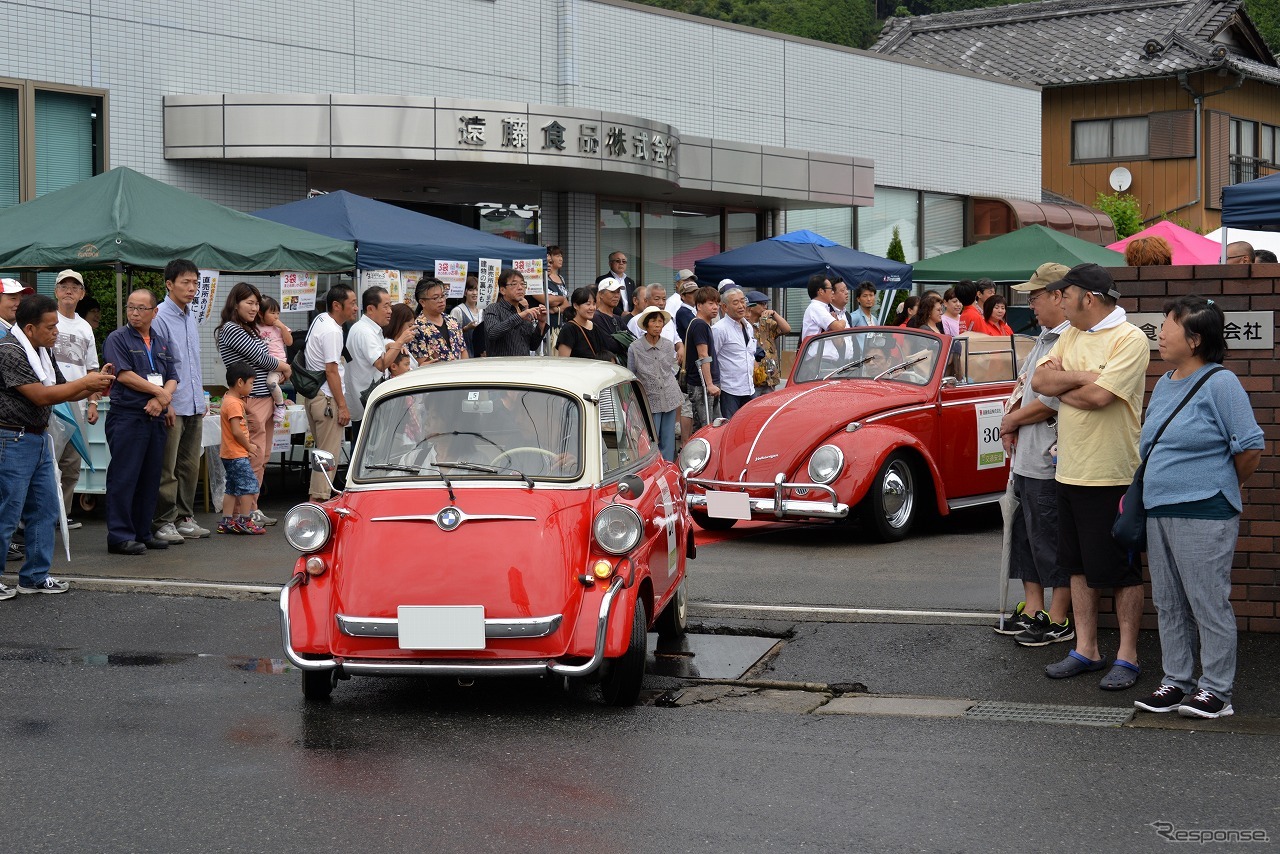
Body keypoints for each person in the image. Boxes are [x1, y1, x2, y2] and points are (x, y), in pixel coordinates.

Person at [1133, 297, 1263, 719]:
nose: (1160, 332)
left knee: (1207, 601)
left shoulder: (1221, 383)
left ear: (1195, 339)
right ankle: (1176, 680)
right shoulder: (1167, 379)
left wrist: (1219, 484)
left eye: (1168, 325)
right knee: (1169, 602)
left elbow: (1250, 447)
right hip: (1159, 507)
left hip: (1205, 509)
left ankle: (1217, 691)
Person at [1031, 263, 1150, 691]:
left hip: (1112, 472)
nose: (1058, 300)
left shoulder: (1131, 339)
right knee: (1077, 567)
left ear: (1090, 297)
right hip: (1069, 470)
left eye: (1066, 293)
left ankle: (1128, 656)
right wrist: (1080, 378)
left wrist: (1066, 390)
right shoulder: (1071, 333)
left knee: (1121, 570)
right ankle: (1087, 649)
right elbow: (1041, 381)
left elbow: (1101, 398)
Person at [0, 295, 113, 594]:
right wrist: (86, 384)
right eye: (50, 327)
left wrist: (95, 382)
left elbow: (62, 390)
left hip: (38, 436)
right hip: (11, 438)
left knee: (45, 509)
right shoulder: (9, 350)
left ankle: (35, 576)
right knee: (8, 512)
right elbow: (41, 396)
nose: (56, 333)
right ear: (29, 328)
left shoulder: (43, 350)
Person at [994, 262, 1074, 647]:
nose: (1031, 304)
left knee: (1049, 538)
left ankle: (1058, 617)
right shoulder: (1043, 338)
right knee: (1025, 536)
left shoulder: (1072, 339)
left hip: (1049, 456)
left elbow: (1051, 401)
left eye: (1036, 296)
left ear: (1060, 296)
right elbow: (1025, 386)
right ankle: (1033, 608)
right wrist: (1011, 418)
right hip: (1027, 456)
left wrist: (1011, 420)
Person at [102, 289, 177, 556]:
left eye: (141, 308)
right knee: (124, 476)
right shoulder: (118, 338)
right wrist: (159, 394)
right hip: (128, 415)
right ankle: (120, 536)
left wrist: (163, 399)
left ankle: (142, 532)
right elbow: (123, 375)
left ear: (154, 312)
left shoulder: (160, 340)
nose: (134, 313)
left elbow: (172, 376)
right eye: (131, 307)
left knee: (150, 476)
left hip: (154, 416)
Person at [214, 282, 290, 528]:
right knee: (252, 456)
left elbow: (266, 358)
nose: (255, 307)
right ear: (235, 303)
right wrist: (284, 367)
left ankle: (251, 509)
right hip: (252, 400)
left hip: (265, 396)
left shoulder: (250, 329)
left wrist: (277, 369)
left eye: (257, 303)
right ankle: (243, 512)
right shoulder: (232, 329)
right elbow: (260, 358)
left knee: (263, 455)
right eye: (249, 302)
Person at [150, 259, 210, 545]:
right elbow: (156, 363)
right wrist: (165, 400)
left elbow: (191, 362)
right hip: (172, 402)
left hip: (194, 402)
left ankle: (185, 517)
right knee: (167, 466)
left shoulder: (189, 316)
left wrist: (202, 397)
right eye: (186, 282)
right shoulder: (159, 315)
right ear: (169, 284)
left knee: (189, 465)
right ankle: (163, 520)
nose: (192, 288)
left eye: (196, 283)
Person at [49, 270, 100, 531]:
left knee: (71, 463)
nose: (69, 290)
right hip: (48, 400)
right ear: (56, 291)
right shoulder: (47, 319)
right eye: (64, 286)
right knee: (47, 461)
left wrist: (93, 402)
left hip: (77, 403)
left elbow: (92, 369)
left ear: (81, 294)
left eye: (75, 287)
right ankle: (40, 514)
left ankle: (63, 513)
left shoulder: (85, 328)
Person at [304, 284, 358, 503]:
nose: (356, 308)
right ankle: (316, 502)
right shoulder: (333, 330)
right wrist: (343, 405)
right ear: (337, 305)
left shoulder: (320, 320)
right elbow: (331, 371)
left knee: (322, 453)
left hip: (315, 396)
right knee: (328, 456)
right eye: (352, 303)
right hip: (327, 399)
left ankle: (319, 500)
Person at [348, 285, 412, 444]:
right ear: (370, 309)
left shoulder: (367, 329)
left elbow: (370, 355)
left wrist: (388, 346)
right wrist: (400, 341)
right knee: (367, 450)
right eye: (386, 306)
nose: (390, 311)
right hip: (365, 402)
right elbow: (381, 364)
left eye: (390, 305)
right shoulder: (365, 331)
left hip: (365, 401)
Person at [628, 306, 682, 461]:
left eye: (660, 321)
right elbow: (631, 375)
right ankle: (652, 467)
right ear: (646, 325)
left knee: (668, 438)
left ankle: (668, 467)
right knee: (652, 438)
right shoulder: (635, 348)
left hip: (669, 395)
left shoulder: (667, 344)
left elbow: (671, 368)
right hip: (649, 398)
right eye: (653, 321)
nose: (658, 325)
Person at [217, 363, 265, 535]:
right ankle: (245, 521)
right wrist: (248, 446)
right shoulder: (234, 404)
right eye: (251, 383)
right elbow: (237, 431)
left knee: (231, 487)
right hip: (237, 453)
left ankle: (227, 521)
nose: (252, 387)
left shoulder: (228, 400)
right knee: (250, 486)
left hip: (229, 453)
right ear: (240, 382)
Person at [712, 288, 755, 419]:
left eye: (743, 301)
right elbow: (712, 358)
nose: (741, 306)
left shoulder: (748, 326)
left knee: (749, 425)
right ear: (724, 307)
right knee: (730, 426)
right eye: (736, 303)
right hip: (729, 389)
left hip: (749, 387)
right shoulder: (719, 329)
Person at [482, 269, 546, 357]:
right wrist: (519, 316)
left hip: (523, 366)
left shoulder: (523, 310)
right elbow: (492, 333)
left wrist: (541, 323)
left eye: (523, 284)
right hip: (502, 367)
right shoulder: (493, 308)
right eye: (514, 284)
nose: (520, 287)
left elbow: (532, 346)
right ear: (502, 290)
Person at [684, 286, 721, 430]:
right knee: (706, 428)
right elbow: (703, 355)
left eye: (717, 304)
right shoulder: (699, 325)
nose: (715, 307)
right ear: (699, 305)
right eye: (711, 303)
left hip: (704, 383)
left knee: (714, 425)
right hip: (702, 385)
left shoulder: (702, 324)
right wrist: (710, 384)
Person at [256, 296, 292, 426]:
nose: (276, 316)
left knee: (271, 383)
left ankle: (280, 406)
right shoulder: (255, 328)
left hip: (279, 364)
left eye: (278, 313)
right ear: (260, 314)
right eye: (272, 313)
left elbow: (289, 342)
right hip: (264, 364)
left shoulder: (279, 327)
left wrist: (282, 328)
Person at [746, 290, 789, 395]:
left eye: (766, 303)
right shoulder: (744, 325)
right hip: (753, 378)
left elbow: (787, 329)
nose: (765, 306)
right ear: (750, 306)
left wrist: (774, 314)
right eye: (761, 304)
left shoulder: (767, 322)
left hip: (770, 378)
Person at [556, 287, 615, 361]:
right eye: (588, 304)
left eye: (594, 304)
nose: (592, 308)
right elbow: (563, 361)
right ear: (576, 306)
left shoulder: (595, 327)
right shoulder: (569, 329)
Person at [590, 279, 630, 359]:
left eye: (618, 292)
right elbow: (609, 345)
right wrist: (624, 340)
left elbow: (633, 340)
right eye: (612, 292)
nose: (616, 296)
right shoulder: (596, 317)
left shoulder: (618, 318)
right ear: (601, 294)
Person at [449, 275, 482, 357]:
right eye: (471, 290)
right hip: (465, 355)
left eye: (477, 290)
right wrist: (466, 329)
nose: (475, 293)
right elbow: (451, 334)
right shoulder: (458, 311)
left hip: (481, 356)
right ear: (465, 292)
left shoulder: (483, 311)